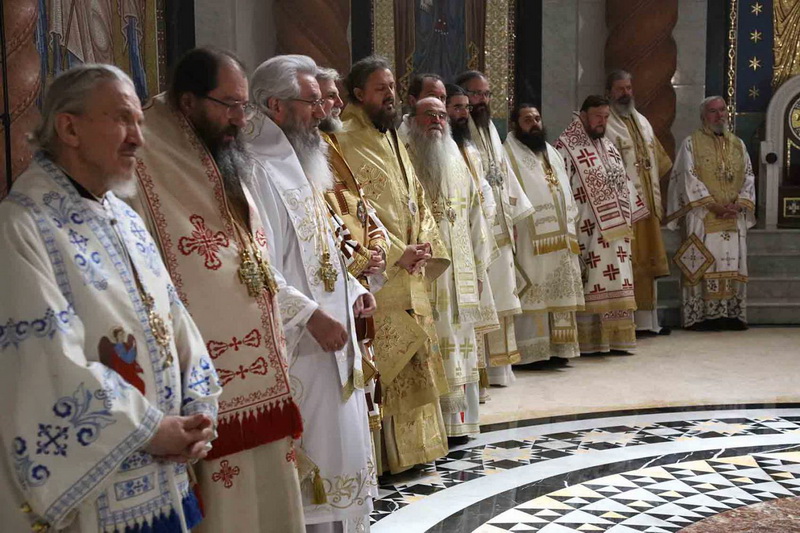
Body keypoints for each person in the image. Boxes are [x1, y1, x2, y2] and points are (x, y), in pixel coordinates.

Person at [0, 64, 220, 533]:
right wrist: (148, 429)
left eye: (139, 121)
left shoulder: (124, 217)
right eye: (122, 119)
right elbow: (43, 360)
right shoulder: (23, 226)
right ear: (69, 129)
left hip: (165, 478)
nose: (138, 138)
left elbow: (173, 317)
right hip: (99, 497)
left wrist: (199, 406)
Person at [131, 48, 305, 532]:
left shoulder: (219, 151)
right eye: (229, 105)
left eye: (244, 106)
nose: (240, 119)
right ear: (188, 101)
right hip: (204, 373)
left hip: (261, 371)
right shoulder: (144, 152)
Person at [244, 55, 378, 531]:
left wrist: (353, 287)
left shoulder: (300, 161)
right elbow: (255, 264)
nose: (322, 111)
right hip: (301, 344)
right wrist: (309, 316)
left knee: (342, 460)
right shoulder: (256, 171)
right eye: (312, 101)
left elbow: (322, 246)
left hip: (333, 341)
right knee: (314, 474)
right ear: (275, 106)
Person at [333, 55, 451, 474]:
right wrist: (398, 251)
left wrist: (424, 244)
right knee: (387, 362)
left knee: (414, 357)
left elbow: (413, 194)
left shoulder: (390, 136)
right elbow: (349, 209)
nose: (390, 95)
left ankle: (418, 451)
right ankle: (387, 458)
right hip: (380, 271)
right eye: (380, 88)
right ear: (358, 93)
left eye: (392, 87)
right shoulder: (343, 139)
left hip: (410, 265)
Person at [404, 97, 494, 442]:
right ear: (414, 119)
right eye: (429, 115)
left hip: (461, 276)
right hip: (427, 274)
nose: (437, 121)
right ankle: (436, 430)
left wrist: (479, 269)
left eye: (442, 115)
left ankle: (461, 424)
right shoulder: (406, 156)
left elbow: (476, 216)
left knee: (459, 343)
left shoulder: (456, 156)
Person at [317, 66, 389, 470]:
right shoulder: (295, 156)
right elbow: (319, 219)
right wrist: (360, 256)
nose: (337, 104)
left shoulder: (329, 144)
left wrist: (377, 245)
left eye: (335, 95)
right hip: (334, 289)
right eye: (328, 96)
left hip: (356, 284)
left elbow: (362, 205)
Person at [455, 70, 533, 387]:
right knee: (486, 296)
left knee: (502, 294)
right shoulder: (460, 132)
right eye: (476, 94)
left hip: (500, 225)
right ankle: (483, 369)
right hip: (479, 230)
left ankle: (501, 368)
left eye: (486, 94)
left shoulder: (489, 129)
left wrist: (512, 218)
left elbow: (503, 176)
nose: (482, 100)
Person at [555, 95, 648, 354]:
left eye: (606, 117)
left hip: (618, 234)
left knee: (618, 278)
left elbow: (624, 182)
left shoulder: (608, 145)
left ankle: (617, 339)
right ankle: (592, 341)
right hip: (587, 232)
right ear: (583, 115)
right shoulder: (565, 147)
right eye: (598, 116)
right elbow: (560, 189)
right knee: (593, 280)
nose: (602, 122)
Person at [504, 104, 585, 365]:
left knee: (559, 289)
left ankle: (559, 350)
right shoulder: (507, 154)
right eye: (527, 119)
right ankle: (534, 352)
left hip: (561, 238)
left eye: (537, 118)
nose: (534, 124)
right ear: (515, 125)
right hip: (529, 238)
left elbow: (565, 189)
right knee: (536, 289)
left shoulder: (552, 152)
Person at [666, 96, 755, 330]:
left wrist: (739, 204)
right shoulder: (691, 143)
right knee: (702, 265)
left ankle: (730, 314)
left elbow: (749, 176)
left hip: (733, 218)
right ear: (703, 116)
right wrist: (713, 205)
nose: (719, 115)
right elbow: (688, 177)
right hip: (703, 216)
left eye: (722, 110)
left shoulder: (738, 144)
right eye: (713, 111)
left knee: (731, 263)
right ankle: (701, 316)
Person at [605, 70, 672, 335]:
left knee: (647, 264)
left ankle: (648, 322)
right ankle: (626, 322)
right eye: (620, 88)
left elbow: (659, 162)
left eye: (629, 88)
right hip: (624, 209)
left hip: (648, 207)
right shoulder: (606, 123)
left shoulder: (643, 122)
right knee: (627, 263)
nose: (626, 93)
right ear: (609, 92)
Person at [445, 83, 500, 402]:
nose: (463, 113)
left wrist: (486, 220)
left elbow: (483, 190)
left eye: (466, 107)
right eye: (456, 107)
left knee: (472, 316)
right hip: (452, 242)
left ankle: (475, 384)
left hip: (473, 237)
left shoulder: (469, 148)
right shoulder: (438, 148)